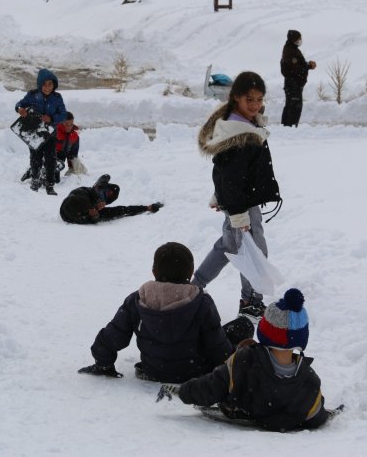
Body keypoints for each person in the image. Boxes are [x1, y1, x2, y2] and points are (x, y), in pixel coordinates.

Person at [156, 288, 338, 433]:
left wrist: (185, 391)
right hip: (284, 415)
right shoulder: (309, 379)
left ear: (265, 331)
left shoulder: (245, 360)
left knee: (240, 356)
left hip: (244, 409)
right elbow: (315, 416)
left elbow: (211, 387)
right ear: (301, 339)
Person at [77, 242, 255, 382]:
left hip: (152, 370)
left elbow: (113, 336)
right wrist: (227, 369)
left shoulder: (137, 299)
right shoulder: (201, 302)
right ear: (191, 271)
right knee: (243, 325)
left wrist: (103, 363)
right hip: (194, 371)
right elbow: (217, 347)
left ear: (154, 271)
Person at [191, 71, 282, 318]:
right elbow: (229, 177)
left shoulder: (242, 123)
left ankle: (195, 287)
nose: (255, 105)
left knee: (231, 245)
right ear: (236, 99)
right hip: (242, 204)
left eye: (259, 99)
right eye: (249, 100)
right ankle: (250, 300)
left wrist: (219, 196)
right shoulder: (237, 131)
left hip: (241, 200)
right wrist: (238, 214)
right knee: (251, 250)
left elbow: (226, 173)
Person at [14, 68, 67, 195]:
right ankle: (35, 182)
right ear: (39, 84)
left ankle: (50, 185)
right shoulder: (32, 95)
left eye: (50, 84)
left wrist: (52, 118)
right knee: (35, 158)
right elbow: (19, 104)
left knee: (50, 159)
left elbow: (63, 115)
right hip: (34, 134)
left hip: (49, 134)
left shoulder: (57, 97)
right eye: (44, 84)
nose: (47, 87)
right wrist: (20, 109)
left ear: (54, 85)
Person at [59, 174, 163, 225]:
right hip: (67, 209)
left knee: (107, 213)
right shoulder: (84, 192)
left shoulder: (98, 210)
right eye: (102, 192)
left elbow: (121, 210)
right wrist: (90, 207)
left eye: (106, 198)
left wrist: (146, 208)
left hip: (76, 218)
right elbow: (71, 201)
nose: (103, 199)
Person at [280, 29, 316, 127]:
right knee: (294, 108)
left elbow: (298, 66)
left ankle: (286, 127)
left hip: (293, 85)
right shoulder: (290, 51)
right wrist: (308, 66)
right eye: (298, 39)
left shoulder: (292, 48)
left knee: (290, 107)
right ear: (293, 39)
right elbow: (295, 69)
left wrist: (307, 65)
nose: (300, 40)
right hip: (293, 85)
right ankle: (289, 127)